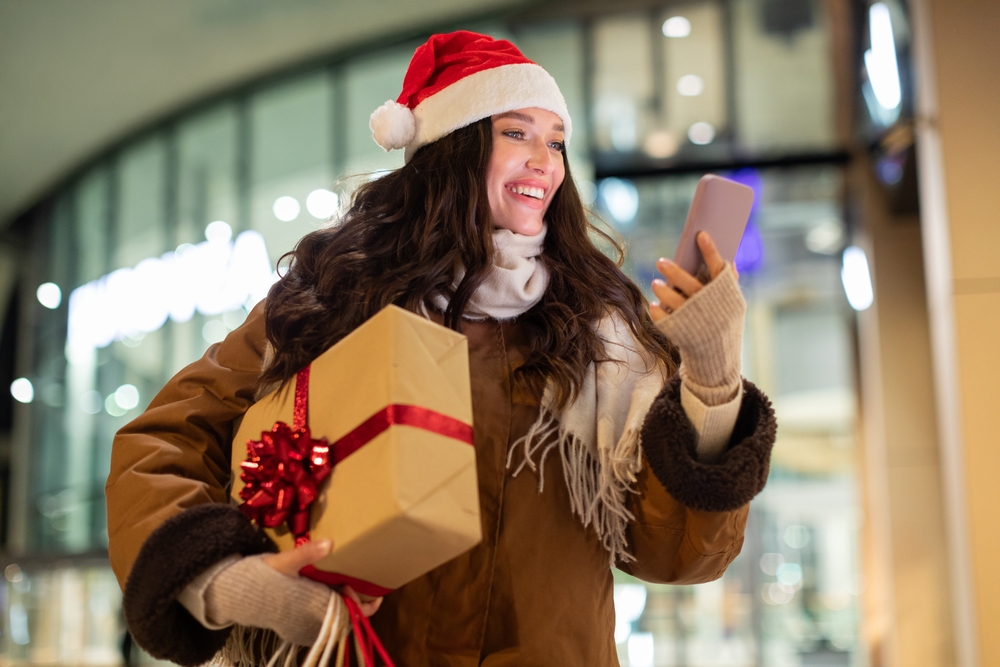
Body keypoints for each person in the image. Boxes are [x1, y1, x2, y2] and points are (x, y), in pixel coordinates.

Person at [106, 31, 775, 667]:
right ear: (454, 147)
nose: (545, 161)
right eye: (516, 133)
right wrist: (231, 585)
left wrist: (711, 381)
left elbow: (676, 555)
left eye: (558, 141)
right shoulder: (331, 300)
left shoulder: (600, 334)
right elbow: (161, 444)